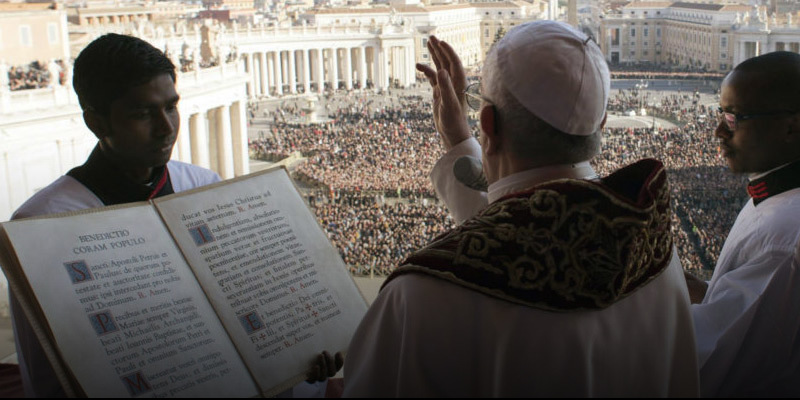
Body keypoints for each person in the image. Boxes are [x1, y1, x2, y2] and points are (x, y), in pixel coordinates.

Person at [343, 21, 699, 397]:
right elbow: (527, 235)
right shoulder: (657, 254)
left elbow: (508, 248)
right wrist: (460, 140)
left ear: (487, 124)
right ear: (601, 125)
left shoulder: (420, 298)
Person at [8, 33, 341, 397]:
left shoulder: (203, 186)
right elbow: (46, 373)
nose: (167, 127)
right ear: (97, 123)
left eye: (170, 107)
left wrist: (300, 360)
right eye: (142, 114)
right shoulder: (41, 226)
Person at [684, 51, 800, 397]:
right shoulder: (775, 201)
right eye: (721, 114)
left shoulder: (780, 235)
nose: (719, 130)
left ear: (791, 126)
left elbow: (704, 365)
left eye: (734, 118)